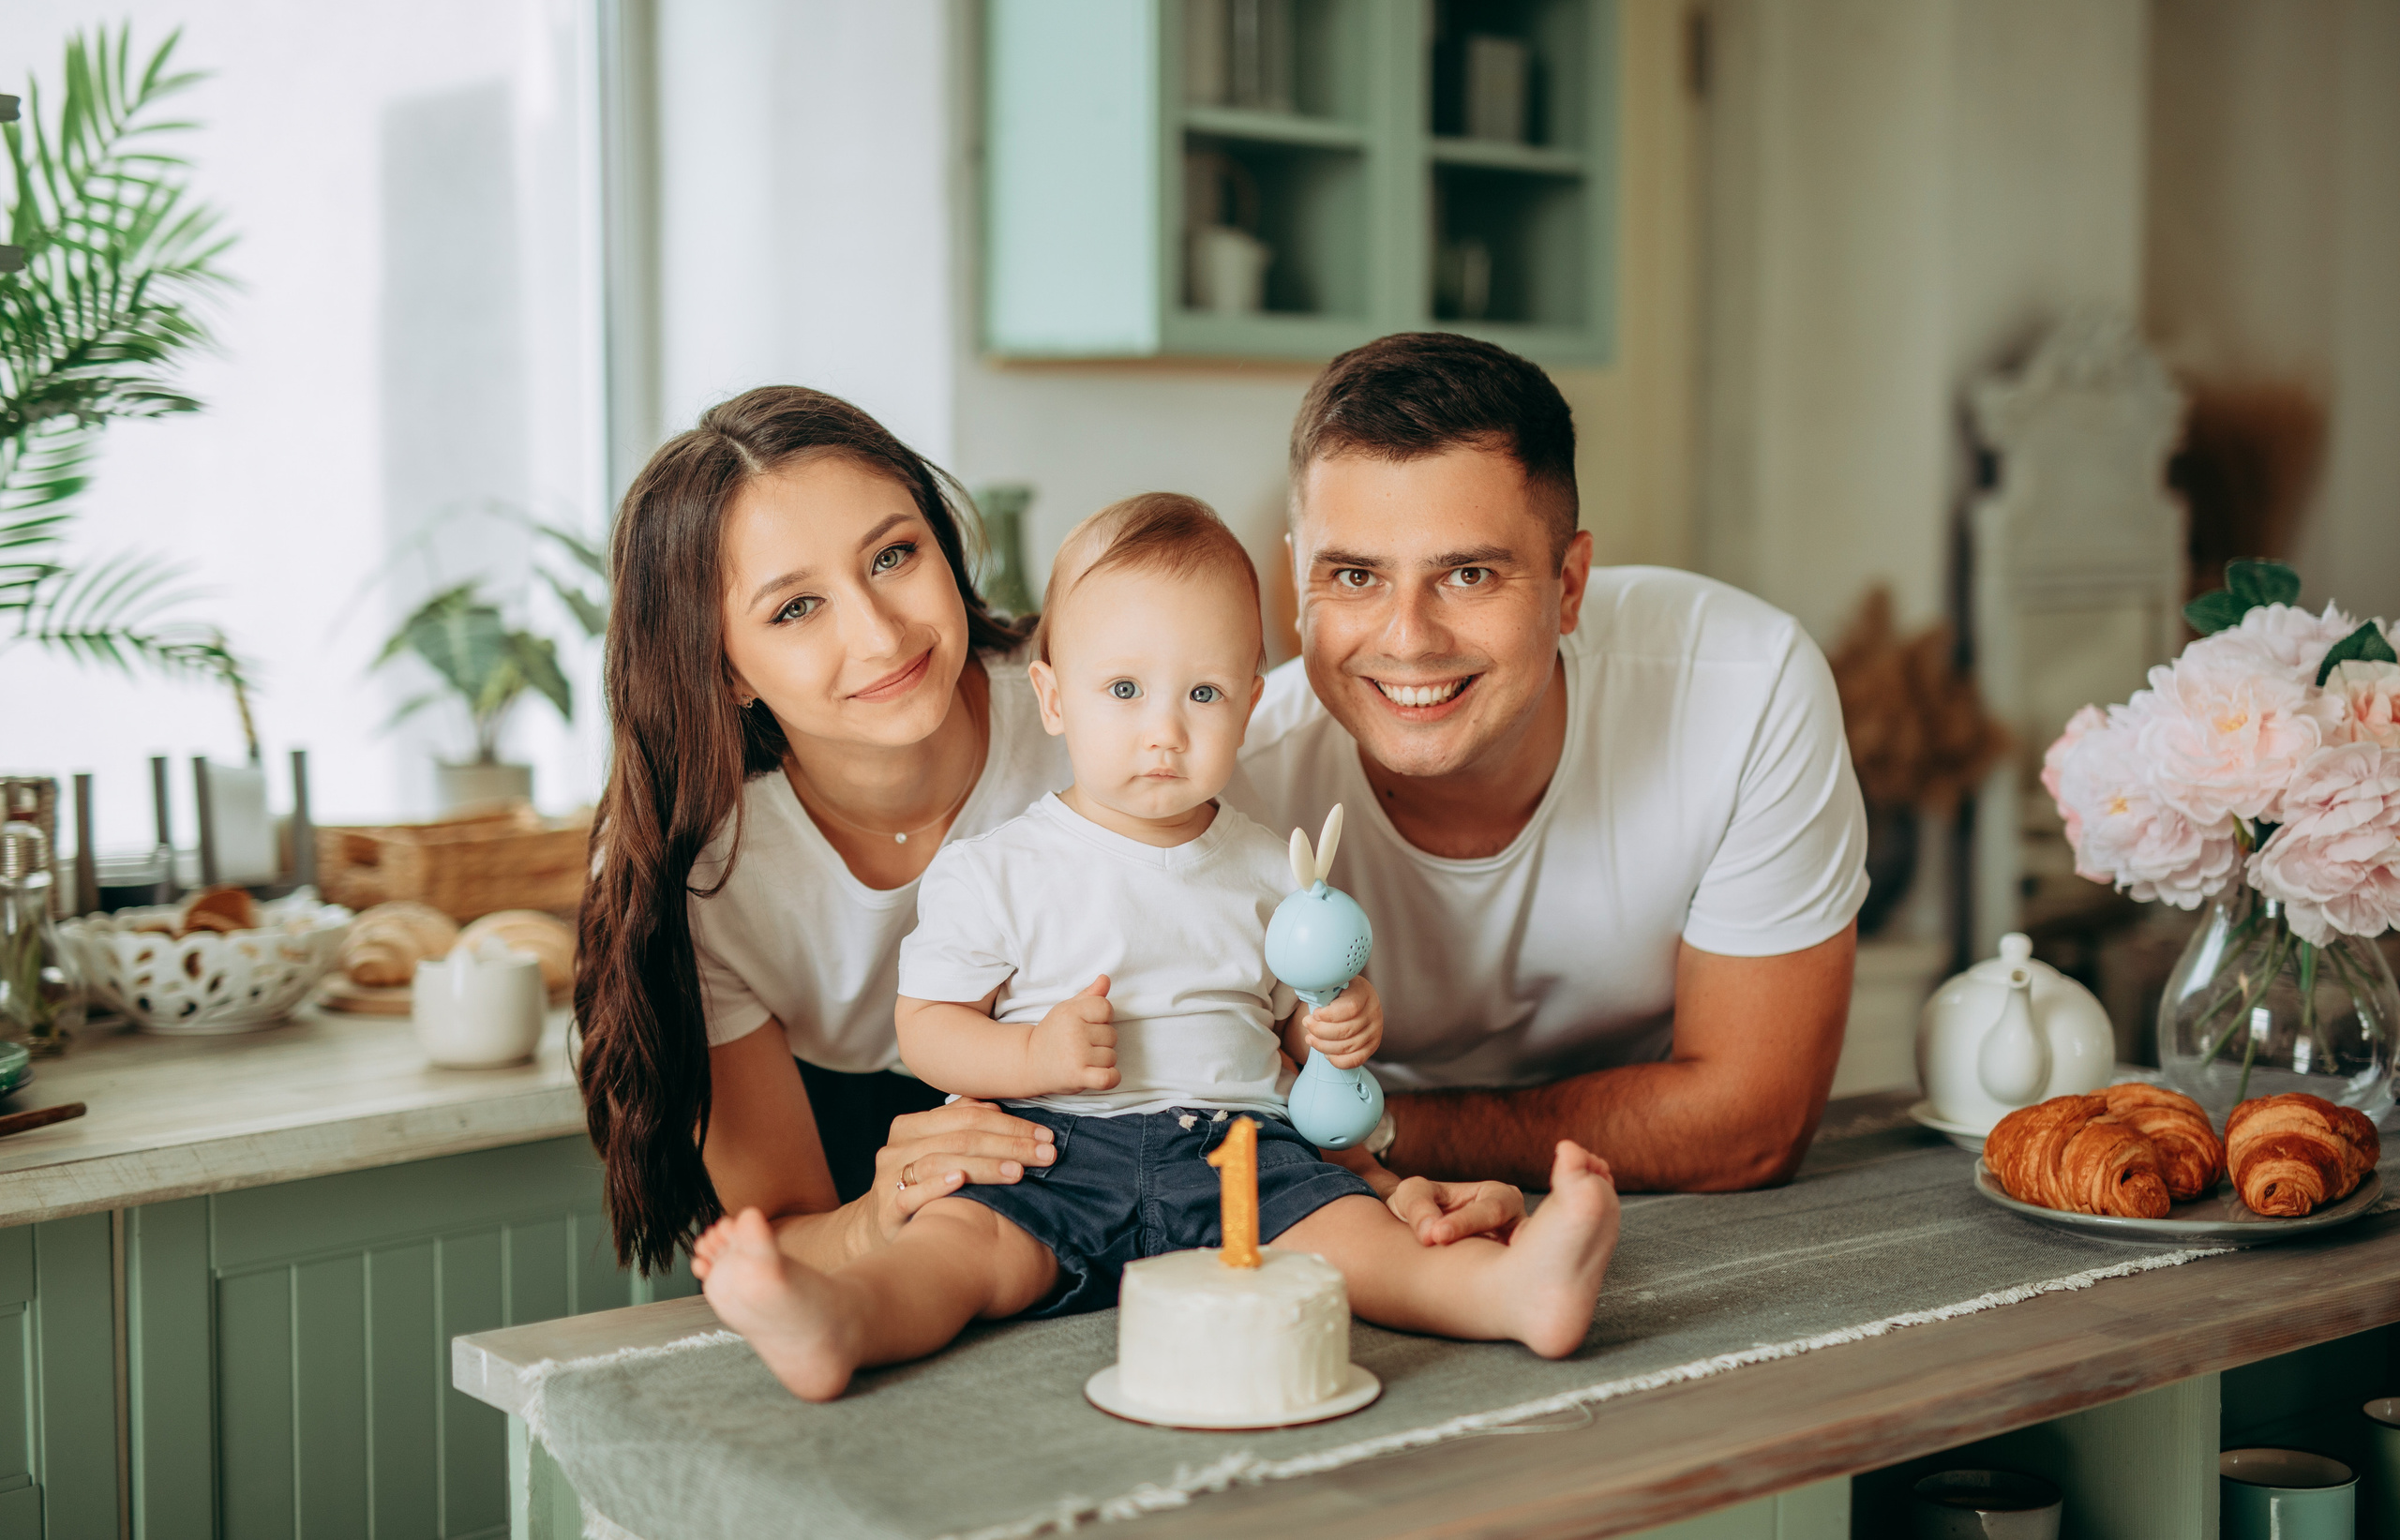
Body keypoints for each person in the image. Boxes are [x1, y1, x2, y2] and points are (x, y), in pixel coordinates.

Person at [575, 386, 1528, 1280]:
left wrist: (1377, 1189)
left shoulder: (1129, 718)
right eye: (793, 608)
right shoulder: (711, 877)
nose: (877, 633)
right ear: (726, 668)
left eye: (893, 556)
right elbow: (782, 1234)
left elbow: (1250, 1030)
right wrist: (883, 1211)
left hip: (1160, 1146)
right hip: (887, 1179)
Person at [690, 493, 1620, 1401]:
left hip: (1243, 1146)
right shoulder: (996, 867)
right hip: (1054, 1149)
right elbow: (927, 1028)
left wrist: (1336, 1021)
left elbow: (1291, 1031)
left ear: (1251, 704)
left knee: (1359, 1245)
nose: (1163, 733)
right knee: (953, 1254)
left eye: (1203, 693)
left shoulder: (1271, 867)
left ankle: (1509, 1293)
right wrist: (1029, 1053)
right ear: (1051, 697)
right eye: (1124, 691)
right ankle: (838, 1321)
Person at [1227, 333, 1870, 1193]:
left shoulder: (1746, 687)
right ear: (1300, 580)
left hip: (1650, 1209)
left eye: (1468, 574)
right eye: (1353, 576)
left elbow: (1752, 1125)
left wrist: (1381, 1130)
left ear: (1569, 586)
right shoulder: (1237, 778)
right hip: (1368, 1206)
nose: (1408, 639)